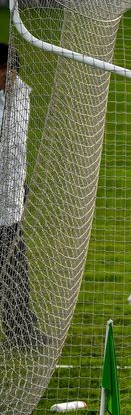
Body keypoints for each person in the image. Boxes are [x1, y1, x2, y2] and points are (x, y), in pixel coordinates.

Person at [0, 41, 43, 350]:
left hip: (10, 200)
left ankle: (22, 334)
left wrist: (19, 184)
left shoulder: (20, 96)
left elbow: (16, 147)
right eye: (4, 70)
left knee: (15, 269)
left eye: (12, 70)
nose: (9, 76)